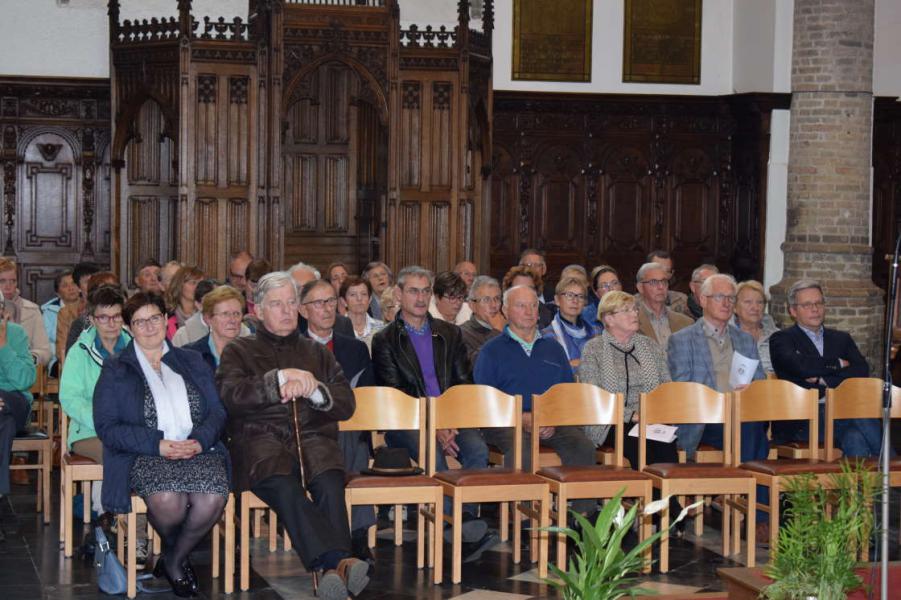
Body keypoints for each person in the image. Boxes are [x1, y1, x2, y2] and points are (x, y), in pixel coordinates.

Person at [217, 273, 369, 600]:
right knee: (286, 488)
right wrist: (278, 379)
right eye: (276, 304)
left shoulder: (317, 352)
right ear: (257, 310)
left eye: (290, 303)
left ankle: (333, 569)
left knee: (330, 483)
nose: (286, 311)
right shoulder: (239, 351)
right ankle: (339, 560)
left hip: (315, 443)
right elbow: (232, 396)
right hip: (261, 446)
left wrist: (316, 390)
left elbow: (346, 404)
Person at [93, 292, 229, 597]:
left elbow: (218, 411)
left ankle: (173, 559)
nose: (149, 326)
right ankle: (177, 559)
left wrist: (200, 441)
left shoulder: (192, 360)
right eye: (140, 322)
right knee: (169, 500)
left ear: (165, 320)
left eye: (154, 318)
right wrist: (158, 445)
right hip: (146, 454)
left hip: (199, 450)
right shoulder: (116, 370)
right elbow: (107, 427)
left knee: (211, 499)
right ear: (129, 328)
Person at [371, 266, 493, 556]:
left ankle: (459, 523)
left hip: (451, 419)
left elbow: (465, 383)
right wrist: (434, 426)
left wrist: (450, 422)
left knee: (477, 450)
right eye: (413, 290)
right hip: (406, 422)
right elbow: (397, 394)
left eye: (425, 290)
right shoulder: (385, 340)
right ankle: (456, 525)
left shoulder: (449, 333)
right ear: (399, 294)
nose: (420, 297)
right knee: (433, 454)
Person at [474, 285, 597, 515]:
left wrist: (552, 418)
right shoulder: (491, 351)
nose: (530, 311)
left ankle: (583, 520)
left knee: (583, 446)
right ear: (505, 310)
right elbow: (485, 401)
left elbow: (567, 393)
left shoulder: (553, 348)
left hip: (551, 419)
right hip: (507, 422)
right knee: (522, 450)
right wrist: (521, 417)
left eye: (533, 305)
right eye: (521, 306)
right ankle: (525, 517)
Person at [577, 290, 681, 519]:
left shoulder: (649, 346)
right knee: (637, 439)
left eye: (635, 309)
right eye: (626, 310)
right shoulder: (593, 349)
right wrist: (632, 415)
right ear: (608, 318)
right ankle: (664, 511)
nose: (634, 313)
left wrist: (655, 412)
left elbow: (666, 385)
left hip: (651, 416)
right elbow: (595, 397)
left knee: (664, 439)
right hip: (610, 420)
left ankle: (663, 505)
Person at [298, 278, 377, 562]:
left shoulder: (355, 349)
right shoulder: (292, 349)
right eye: (319, 303)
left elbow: (365, 399)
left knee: (350, 435)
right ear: (303, 311)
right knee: (345, 437)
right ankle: (353, 536)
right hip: (304, 435)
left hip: (349, 429)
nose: (327, 308)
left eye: (331, 301)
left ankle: (347, 536)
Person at [769, 279, 881, 458]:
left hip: (840, 415)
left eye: (819, 302)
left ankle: (864, 486)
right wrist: (837, 364)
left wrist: (824, 380)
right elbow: (799, 367)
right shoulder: (781, 339)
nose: (815, 309)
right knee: (856, 409)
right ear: (793, 311)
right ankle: (892, 471)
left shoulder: (841, 339)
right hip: (802, 420)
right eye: (807, 304)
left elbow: (861, 371)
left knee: (855, 437)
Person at [667, 274, 768, 463]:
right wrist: (718, 403)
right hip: (704, 422)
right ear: (703, 300)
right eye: (720, 297)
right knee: (751, 431)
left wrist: (751, 390)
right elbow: (681, 390)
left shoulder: (745, 340)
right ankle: (751, 489)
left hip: (742, 415)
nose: (727, 303)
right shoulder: (682, 340)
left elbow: (759, 382)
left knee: (750, 425)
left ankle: (743, 488)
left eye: (731, 298)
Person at [58, 285, 130, 516]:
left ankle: (115, 515)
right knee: (118, 453)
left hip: (129, 428)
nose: (111, 323)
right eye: (103, 317)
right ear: (91, 319)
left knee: (146, 452)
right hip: (88, 431)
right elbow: (69, 398)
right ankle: (117, 518)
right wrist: (103, 421)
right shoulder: (79, 351)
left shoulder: (135, 347)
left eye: (117, 316)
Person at [0, 290, 37, 503]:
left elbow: (24, 380)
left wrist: (4, 346)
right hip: (5, 415)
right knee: (4, 422)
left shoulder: (16, 333)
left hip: (16, 401)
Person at [540, 276, 601, 370]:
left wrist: (576, 363)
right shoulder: (547, 335)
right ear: (557, 300)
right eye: (569, 295)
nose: (575, 301)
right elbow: (552, 370)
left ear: (585, 302)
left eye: (580, 296)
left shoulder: (596, 331)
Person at [0, 257, 51, 365]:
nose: (8, 286)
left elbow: (45, 352)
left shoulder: (31, 310)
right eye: (2, 281)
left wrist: (29, 359)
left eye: (13, 281)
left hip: (22, 373)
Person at [183, 286, 246, 370]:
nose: (232, 320)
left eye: (236, 314)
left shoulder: (251, 353)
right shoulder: (190, 355)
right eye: (225, 314)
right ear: (208, 319)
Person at [634, 262, 693, 350]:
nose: (661, 287)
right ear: (640, 287)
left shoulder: (686, 323)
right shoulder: (631, 322)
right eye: (654, 282)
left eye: (664, 281)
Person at [63, 271, 120, 359]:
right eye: (103, 291)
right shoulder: (81, 324)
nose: (109, 295)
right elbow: (72, 359)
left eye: (113, 289)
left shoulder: (130, 321)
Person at [55, 262, 101, 366]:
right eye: (87, 282)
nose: (93, 286)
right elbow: (61, 350)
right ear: (78, 287)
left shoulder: (111, 309)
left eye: (95, 281)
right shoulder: (66, 312)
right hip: (79, 364)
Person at [731, 280, 779, 374]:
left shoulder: (777, 337)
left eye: (760, 302)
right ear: (735, 307)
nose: (755, 307)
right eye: (748, 302)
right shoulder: (726, 336)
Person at [41, 269, 81, 375]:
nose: (71, 288)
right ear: (58, 293)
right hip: (56, 359)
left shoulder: (88, 308)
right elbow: (46, 342)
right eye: (65, 285)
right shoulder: (48, 312)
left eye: (73, 283)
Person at [459, 275, 502, 366]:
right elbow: (474, 366)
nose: (494, 305)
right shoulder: (461, 334)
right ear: (472, 305)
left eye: (497, 298)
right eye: (486, 300)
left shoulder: (510, 327)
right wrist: (496, 332)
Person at [340, 276, 384, 351]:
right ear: (344, 301)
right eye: (353, 295)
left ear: (370, 299)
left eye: (364, 294)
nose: (359, 299)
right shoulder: (337, 329)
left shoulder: (382, 328)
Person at [171, 279, 218, 347]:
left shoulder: (236, 330)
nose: (217, 306)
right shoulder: (183, 335)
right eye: (210, 301)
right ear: (198, 305)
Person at [646, 249, 691, 318]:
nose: (661, 274)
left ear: (671, 274)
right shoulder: (634, 302)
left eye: (666, 271)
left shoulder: (680, 300)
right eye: (657, 269)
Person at [165, 266, 205, 340]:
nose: (198, 287)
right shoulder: (167, 316)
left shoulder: (207, 314)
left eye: (201, 284)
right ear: (179, 285)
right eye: (193, 283)